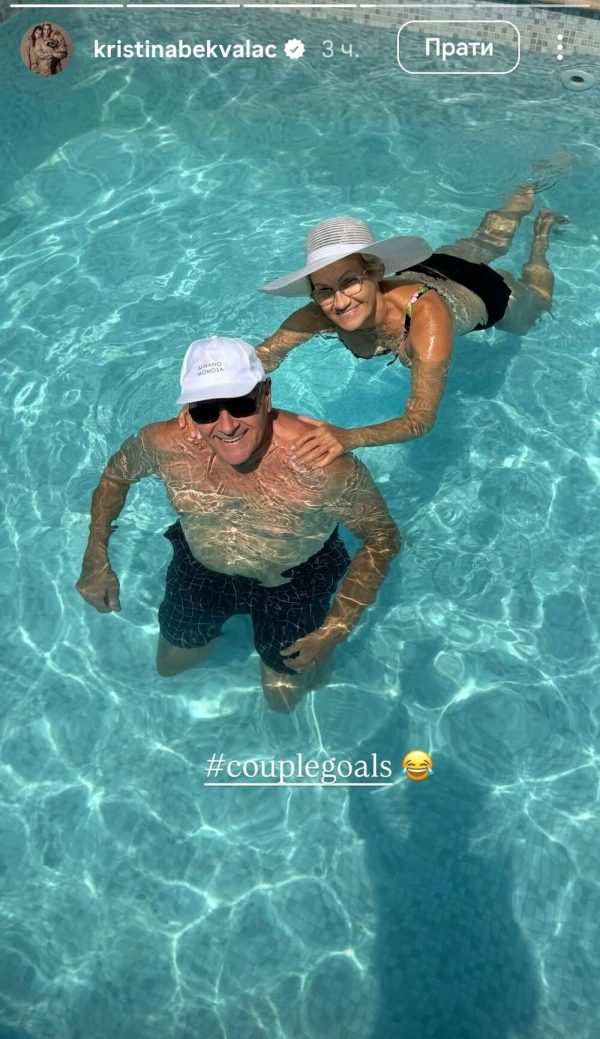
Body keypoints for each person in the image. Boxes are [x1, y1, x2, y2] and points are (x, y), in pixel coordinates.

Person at [77, 338, 400, 713]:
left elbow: (382, 538)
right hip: (202, 569)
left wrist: (334, 630)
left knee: (282, 700)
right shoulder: (165, 444)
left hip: (295, 581)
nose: (227, 426)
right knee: (170, 666)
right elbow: (116, 476)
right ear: (189, 408)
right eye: (206, 410)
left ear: (265, 394)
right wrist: (95, 553)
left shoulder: (319, 462)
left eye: (241, 404)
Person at [189, 185, 563, 469]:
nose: (339, 302)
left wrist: (349, 437)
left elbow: (420, 419)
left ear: (375, 272)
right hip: (432, 267)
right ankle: (523, 194)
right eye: (324, 290)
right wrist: (207, 400)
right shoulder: (320, 312)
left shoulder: (426, 319)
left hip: (481, 292)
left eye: (350, 282)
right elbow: (262, 358)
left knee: (535, 307)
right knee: (484, 240)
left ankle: (541, 239)